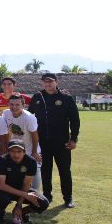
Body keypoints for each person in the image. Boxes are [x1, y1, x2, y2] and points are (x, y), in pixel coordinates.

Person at [28, 73, 80, 208]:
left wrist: (73, 139)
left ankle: (68, 198)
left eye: (50, 82)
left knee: (64, 171)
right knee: (45, 170)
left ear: (56, 82)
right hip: (43, 142)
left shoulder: (66, 98)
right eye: (45, 82)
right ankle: (47, 196)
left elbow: (75, 120)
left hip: (62, 142)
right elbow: (29, 117)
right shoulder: (37, 97)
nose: (48, 84)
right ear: (41, 84)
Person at [0, 140, 50, 224]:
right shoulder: (3, 159)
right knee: (1, 199)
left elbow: (26, 184)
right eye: (12, 151)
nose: (16, 155)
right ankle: (1, 211)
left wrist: (19, 205)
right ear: (8, 152)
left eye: (19, 151)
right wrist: (25, 195)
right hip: (7, 189)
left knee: (43, 203)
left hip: (24, 189)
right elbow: (1, 185)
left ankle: (22, 213)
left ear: (24, 152)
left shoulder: (31, 162)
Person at [2, 94, 42, 193]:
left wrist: (34, 152)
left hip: (29, 150)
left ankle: (35, 193)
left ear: (23, 105)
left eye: (17, 105)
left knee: (34, 171)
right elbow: (5, 131)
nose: (14, 107)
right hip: (14, 149)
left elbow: (35, 135)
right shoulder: (6, 113)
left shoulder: (29, 118)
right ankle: (8, 193)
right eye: (11, 104)